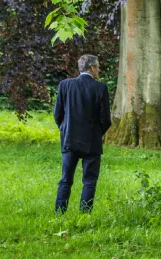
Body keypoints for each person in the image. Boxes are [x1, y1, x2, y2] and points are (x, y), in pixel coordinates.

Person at [53, 54, 112, 213]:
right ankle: (85, 214)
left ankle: (60, 213)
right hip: (92, 140)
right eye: (98, 67)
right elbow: (106, 119)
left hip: (69, 139)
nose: (99, 70)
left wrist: (65, 129)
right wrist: (97, 133)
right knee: (90, 181)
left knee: (65, 180)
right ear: (92, 68)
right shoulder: (100, 88)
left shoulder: (65, 85)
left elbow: (57, 114)